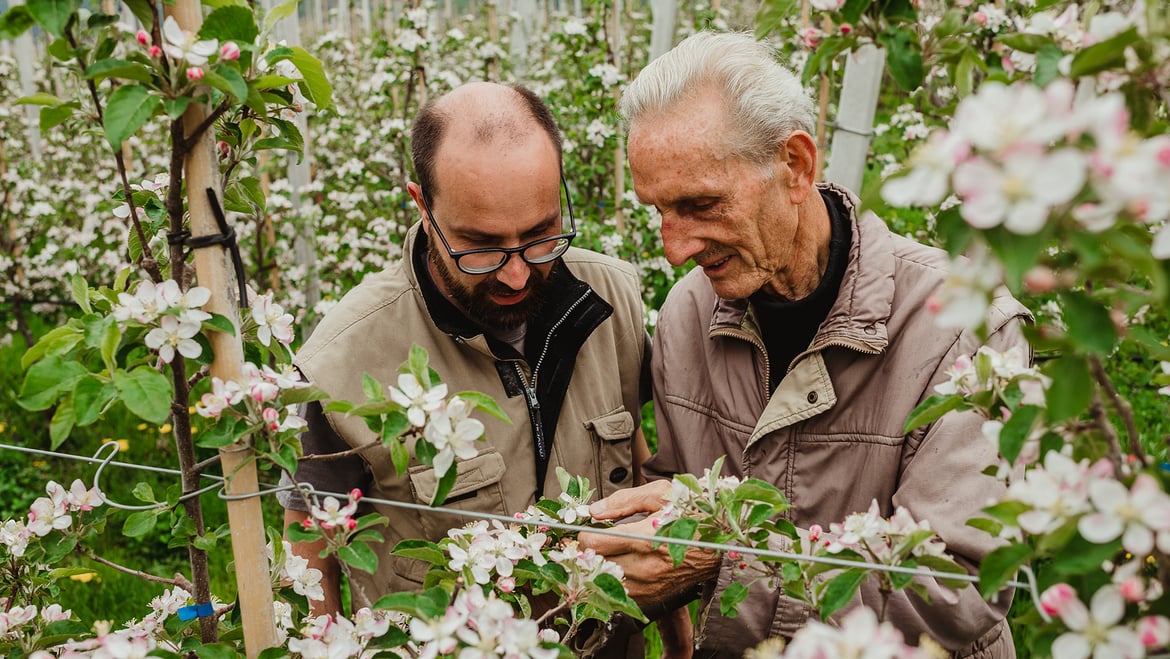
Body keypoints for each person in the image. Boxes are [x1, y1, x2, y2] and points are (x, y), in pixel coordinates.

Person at [579, 31, 1030, 658]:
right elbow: (683, 489)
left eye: (701, 204)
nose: (675, 247)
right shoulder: (688, 311)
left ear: (795, 165)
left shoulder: (960, 326)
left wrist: (729, 556)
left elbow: (960, 588)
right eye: (659, 211)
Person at [278, 82, 651, 655]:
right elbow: (312, 537)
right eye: (480, 246)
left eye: (540, 234)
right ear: (422, 207)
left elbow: (638, 462)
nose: (517, 275)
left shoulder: (613, 299)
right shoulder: (345, 359)